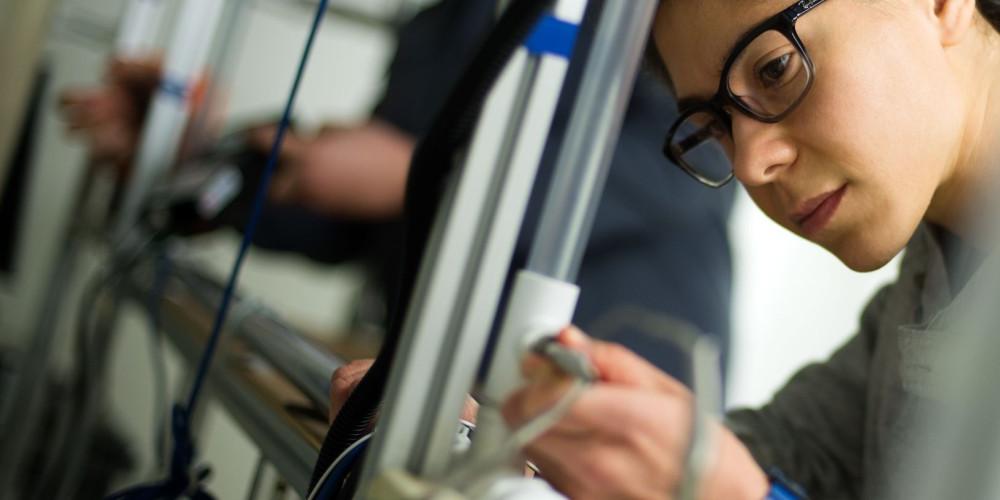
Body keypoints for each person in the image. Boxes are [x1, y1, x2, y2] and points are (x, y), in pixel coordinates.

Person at [61, 0, 737, 377]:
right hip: (430, 405)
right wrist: (193, 157)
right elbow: (358, 217)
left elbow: (680, 173)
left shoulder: (656, 18)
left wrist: (421, 172)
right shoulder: (438, 26)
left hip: (611, 400)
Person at [490, 0, 1000, 498]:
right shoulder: (937, 277)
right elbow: (801, 453)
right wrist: (577, 443)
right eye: (717, 128)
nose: (752, 165)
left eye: (775, 69)